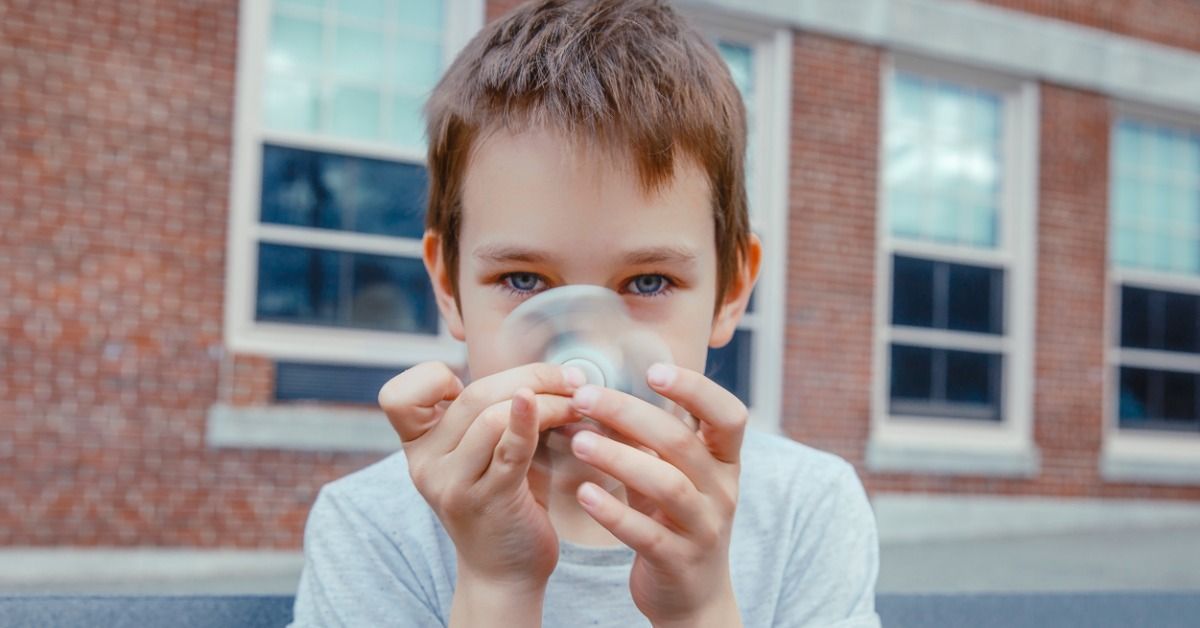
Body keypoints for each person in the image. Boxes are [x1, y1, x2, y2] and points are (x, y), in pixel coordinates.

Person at [290, 0, 880, 626]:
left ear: (730, 288)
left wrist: (700, 606)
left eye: (648, 281)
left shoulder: (806, 509)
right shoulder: (372, 526)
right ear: (447, 282)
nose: (581, 358)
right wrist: (497, 585)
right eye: (523, 279)